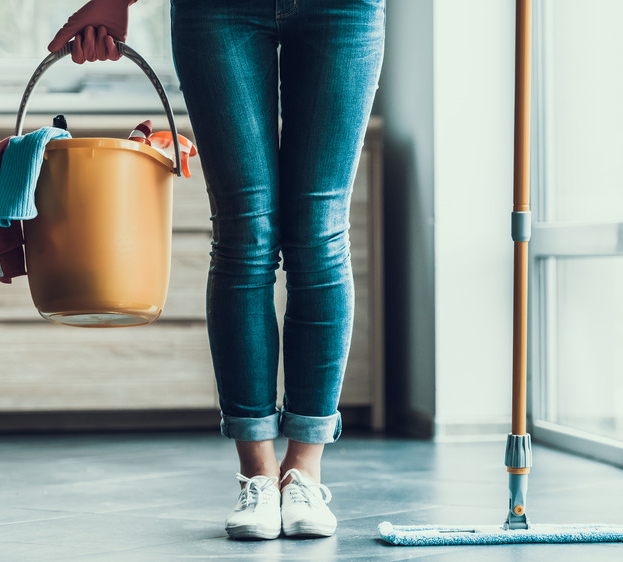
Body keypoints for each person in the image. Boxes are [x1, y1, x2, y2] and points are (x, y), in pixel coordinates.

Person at [49, 0, 385, 541]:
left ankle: (303, 470)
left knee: (319, 232)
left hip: (341, 8)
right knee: (245, 232)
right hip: (218, 10)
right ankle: (257, 474)